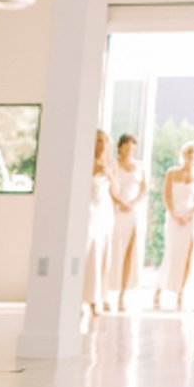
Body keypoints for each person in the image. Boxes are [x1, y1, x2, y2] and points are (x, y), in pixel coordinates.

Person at [153, 141, 194, 311]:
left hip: (191, 219)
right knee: (171, 253)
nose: (192, 157)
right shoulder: (171, 173)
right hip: (174, 217)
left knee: (189, 256)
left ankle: (181, 293)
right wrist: (175, 214)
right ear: (183, 155)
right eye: (189, 153)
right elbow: (166, 196)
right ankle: (159, 290)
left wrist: (190, 215)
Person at [107, 133, 148, 312]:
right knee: (113, 250)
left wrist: (133, 203)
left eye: (133, 145)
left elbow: (144, 188)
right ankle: (107, 292)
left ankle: (123, 294)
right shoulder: (114, 164)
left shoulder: (140, 166)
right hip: (116, 210)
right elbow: (111, 188)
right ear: (120, 146)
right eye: (127, 145)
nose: (130, 148)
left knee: (129, 252)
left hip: (133, 211)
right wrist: (121, 202)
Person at [83, 130, 116, 317]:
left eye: (104, 140)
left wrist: (109, 174)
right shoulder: (84, 160)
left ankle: (97, 298)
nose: (101, 144)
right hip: (88, 210)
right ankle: (84, 296)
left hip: (104, 210)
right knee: (89, 252)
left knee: (102, 254)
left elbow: (116, 190)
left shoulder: (111, 164)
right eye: (98, 140)